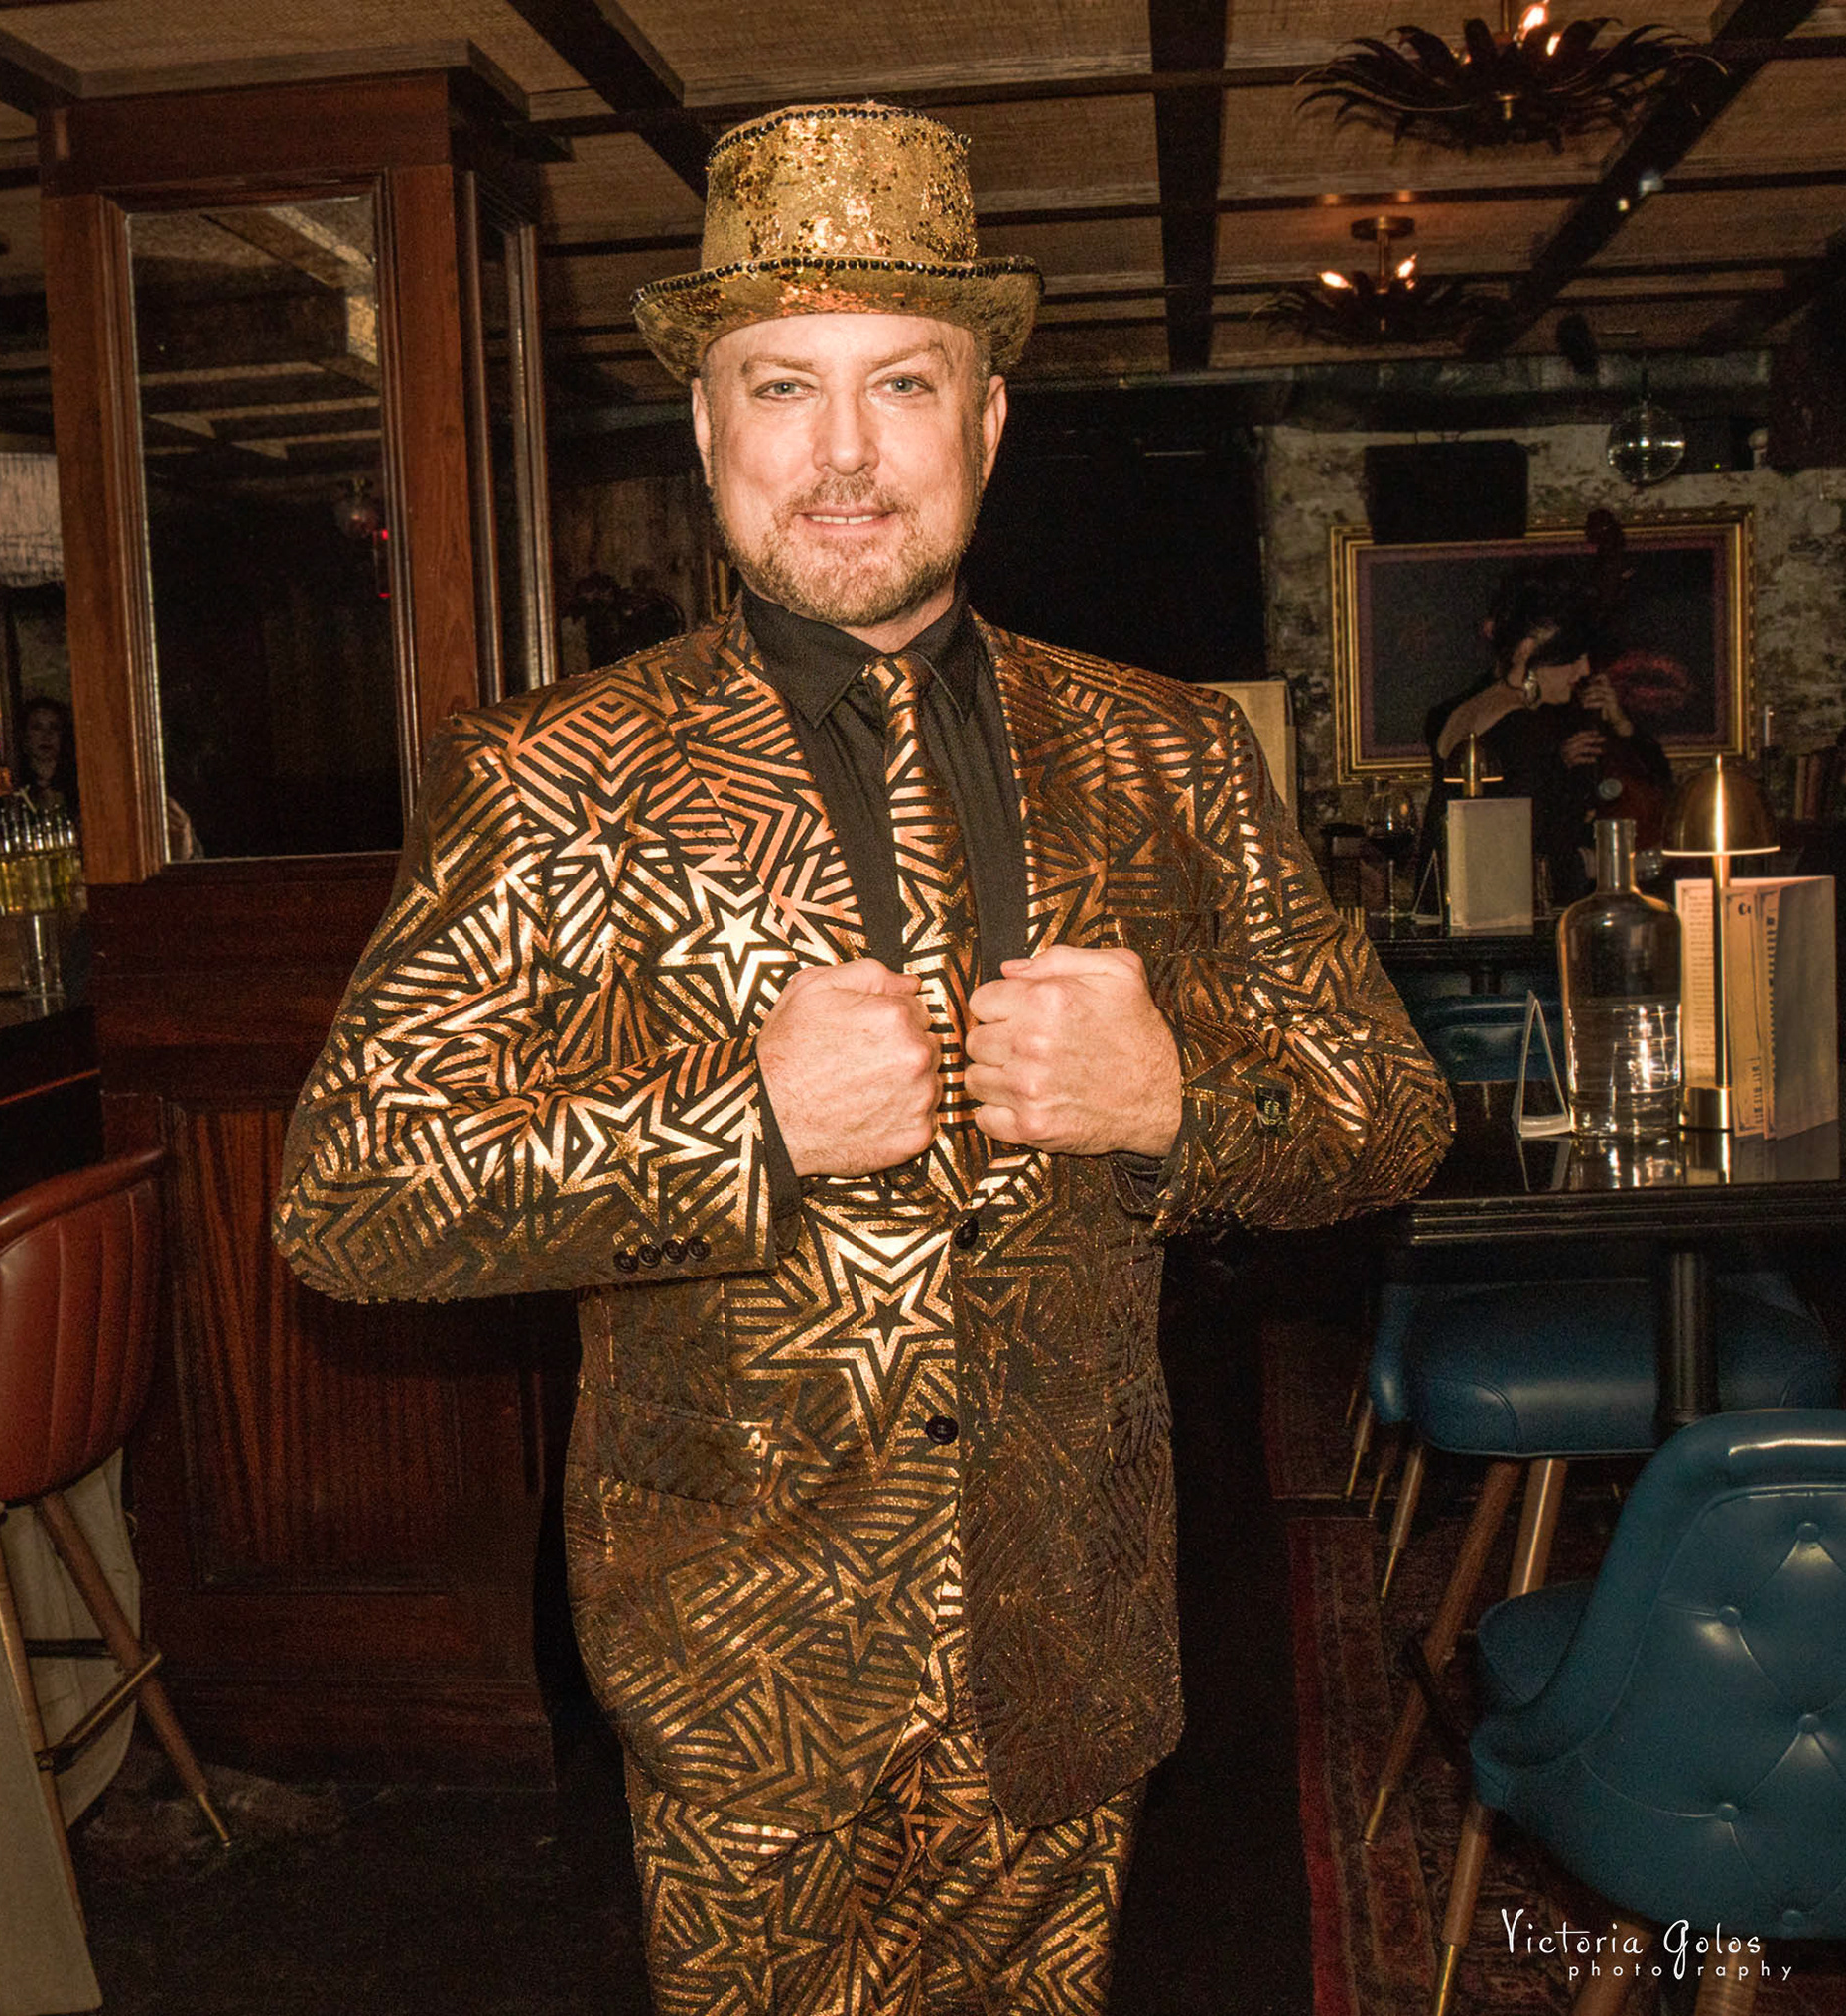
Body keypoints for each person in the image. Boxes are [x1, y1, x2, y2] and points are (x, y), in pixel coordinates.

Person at [273, 102, 1452, 2016]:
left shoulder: (1169, 752)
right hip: (739, 1675)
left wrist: (1179, 1105)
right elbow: (350, 1202)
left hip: (1067, 1645)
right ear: (706, 428)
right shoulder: (552, 777)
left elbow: (1392, 1111)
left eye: (903, 383)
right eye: (783, 386)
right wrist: (742, 1127)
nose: (843, 451)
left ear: (987, 422)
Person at [1422, 572, 1672, 906]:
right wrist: (1618, 865)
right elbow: (1540, 856)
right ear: (1527, 651)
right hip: (1504, 916)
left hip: (1452, 906)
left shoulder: (1468, 710)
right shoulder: (1526, 726)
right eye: (1571, 658)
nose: (1584, 670)